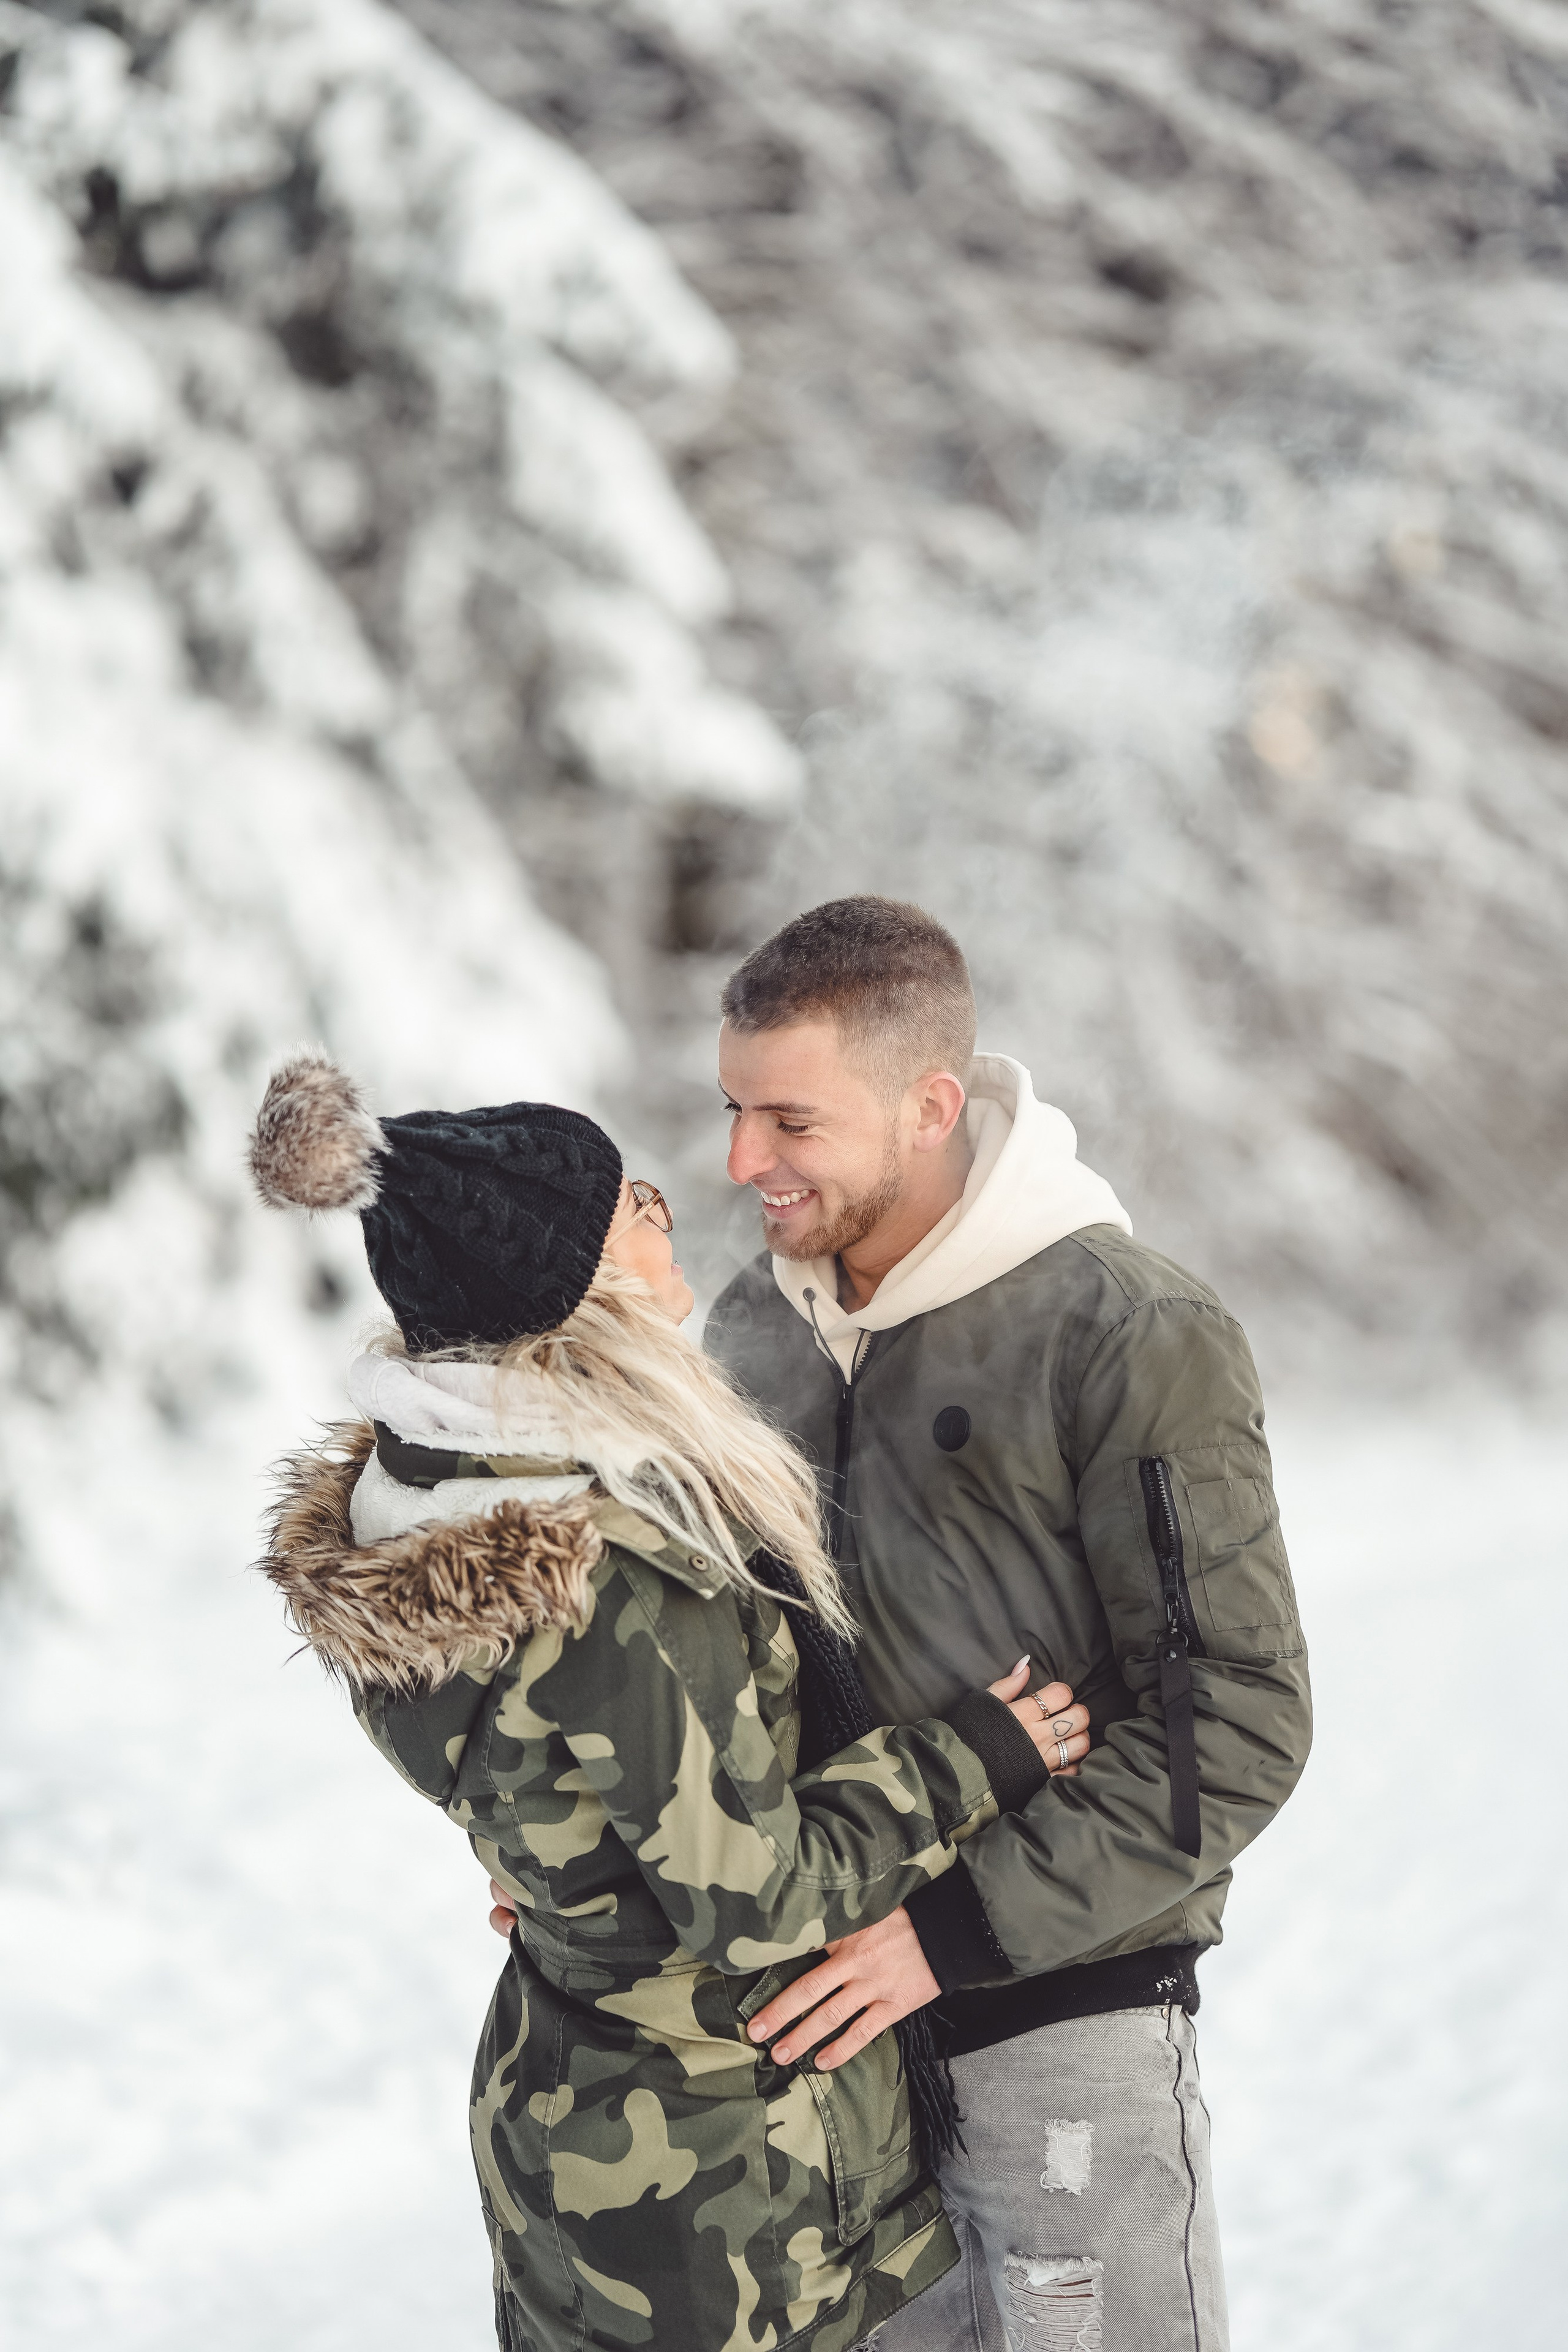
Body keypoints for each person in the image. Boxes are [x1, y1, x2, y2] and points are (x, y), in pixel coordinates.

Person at [248, 1049, 1087, 2352]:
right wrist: (977, 1755)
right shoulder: (619, 1568)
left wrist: (572, 1887)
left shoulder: (422, 1500)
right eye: (631, 1203)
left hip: (561, 2133)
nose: (666, 1209)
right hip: (729, 2188)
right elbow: (756, 1900)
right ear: (576, 1293)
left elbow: (552, 1794)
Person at [701, 897, 1310, 2350]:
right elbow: (703, 1668)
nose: (741, 1161)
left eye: (789, 1121)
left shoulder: (1124, 1330)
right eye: (731, 1111)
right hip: (824, 2049)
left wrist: (946, 1932)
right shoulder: (746, 1332)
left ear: (927, 1107)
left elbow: (1234, 1721)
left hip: (1061, 2021)